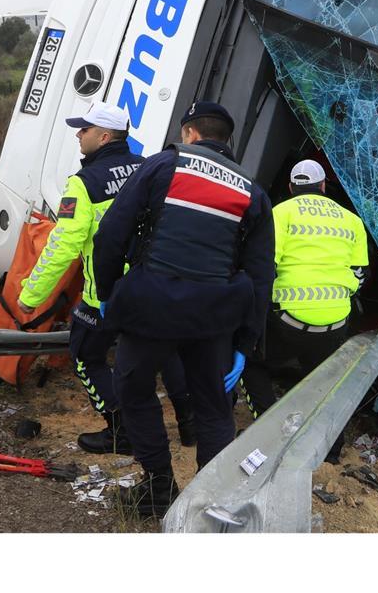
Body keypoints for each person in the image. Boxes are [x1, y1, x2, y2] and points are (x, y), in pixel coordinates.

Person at [93, 101, 275, 518]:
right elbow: (261, 274)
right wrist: (246, 343)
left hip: (150, 309)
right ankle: (209, 506)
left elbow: (111, 234)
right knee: (213, 408)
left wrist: (107, 291)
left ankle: (158, 488)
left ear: (190, 133)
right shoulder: (253, 190)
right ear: (227, 141)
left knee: (134, 389)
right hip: (214, 318)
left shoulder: (162, 166)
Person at [17, 103, 196, 455]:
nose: (78, 135)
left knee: (86, 353)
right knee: (166, 348)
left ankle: (122, 429)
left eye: (83, 130)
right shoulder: (149, 167)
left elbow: (64, 244)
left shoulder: (84, 183)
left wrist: (31, 295)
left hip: (106, 289)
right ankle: (189, 424)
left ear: (104, 136)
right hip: (155, 282)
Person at [238, 159, 369, 463]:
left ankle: (268, 433)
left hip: (288, 320)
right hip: (335, 321)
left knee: (250, 363)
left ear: (291, 188)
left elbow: (263, 270)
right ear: (324, 187)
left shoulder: (280, 213)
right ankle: (332, 452)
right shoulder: (352, 221)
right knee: (324, 382)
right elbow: (360, 275)